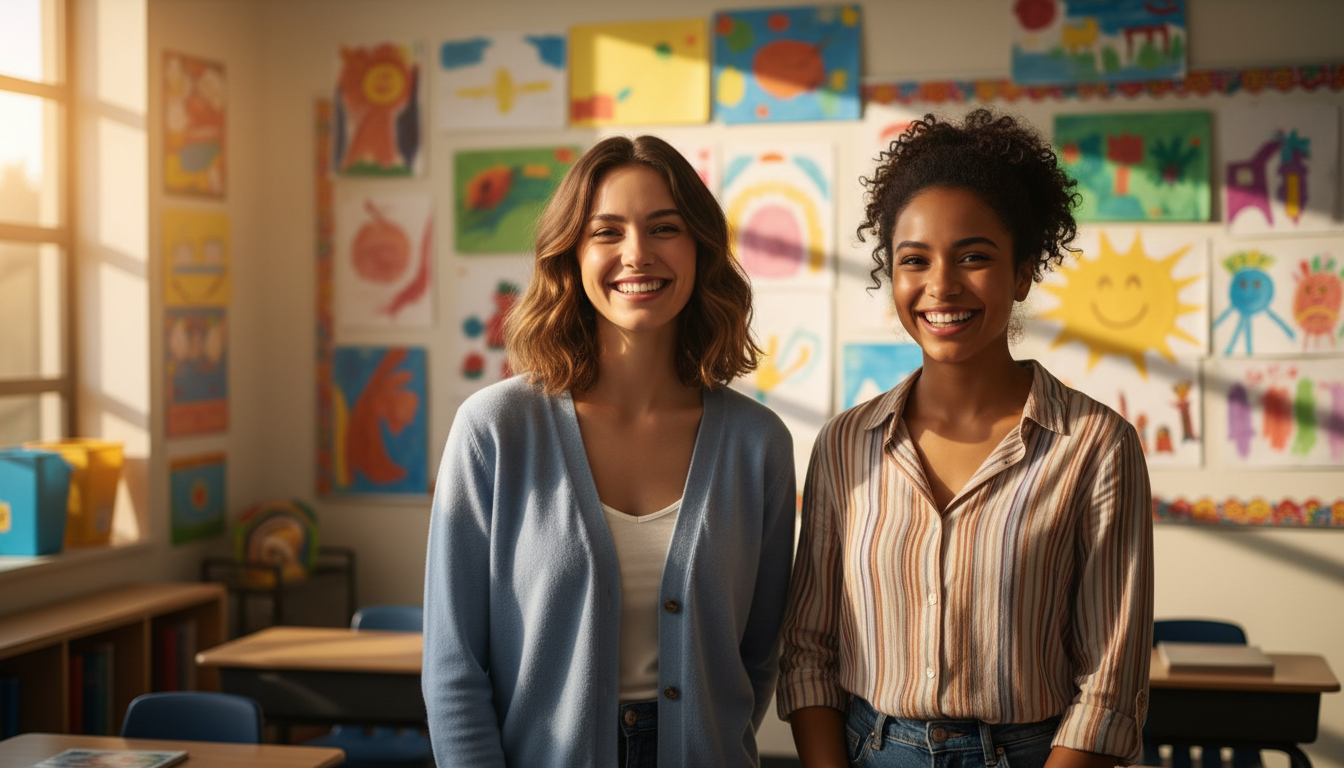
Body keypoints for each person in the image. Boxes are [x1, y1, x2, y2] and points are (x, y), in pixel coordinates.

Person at [777, 109, 1154, 768]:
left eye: (974, 257)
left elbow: (1110, 684)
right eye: (914, 261)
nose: (941, 286)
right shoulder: (845, 444)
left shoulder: (1095, 446)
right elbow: (810, 650)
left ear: (1023, 272)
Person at [422, 135, 797, 768]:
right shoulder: (494, 431)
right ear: (571, 255)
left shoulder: (758, 445)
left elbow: (756, 659)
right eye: (607, 232)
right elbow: (453, 668)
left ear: (701, 249)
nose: (637, 253)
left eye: (664, 228)